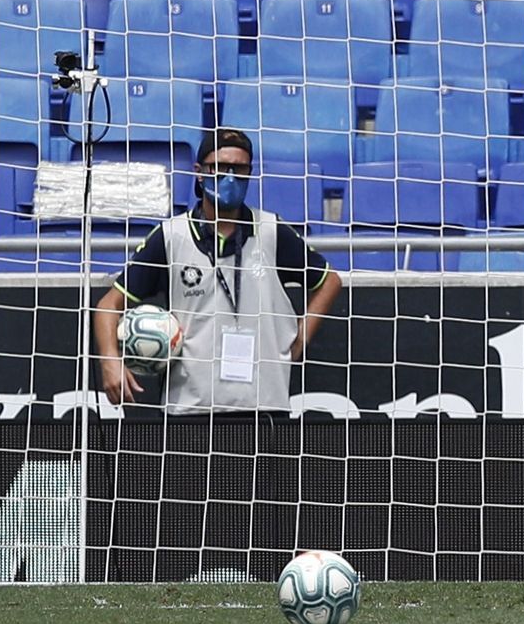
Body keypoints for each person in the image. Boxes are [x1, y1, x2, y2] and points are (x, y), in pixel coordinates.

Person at [94, 128, 342, 412]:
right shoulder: (171, 236)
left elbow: (329, 281)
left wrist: (300, 338)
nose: (230, 177)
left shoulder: (272, 231)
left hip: (264, 406)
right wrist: (110, 359)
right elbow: (108, 305)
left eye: (239, 168)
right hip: (190, 409)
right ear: (199, 172)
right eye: (220, 167)